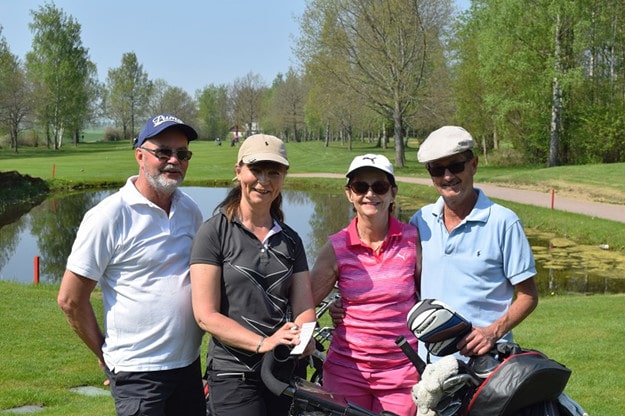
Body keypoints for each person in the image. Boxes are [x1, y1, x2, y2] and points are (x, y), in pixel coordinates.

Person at [57, 113, 206, 416]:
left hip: (188, 364)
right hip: (138, 374)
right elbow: (71, 299)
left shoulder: (190, 210)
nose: (174, 160)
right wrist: (104, 354)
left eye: (182, 153)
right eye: (163, 151)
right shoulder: (109, 216)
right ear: (140, 155)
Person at [189, 134, 316, 416]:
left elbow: (304, 307)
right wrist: (263, 343)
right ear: (238, 171)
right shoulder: (214, 233)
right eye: (255, 169)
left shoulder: (291, 240)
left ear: (283, 177)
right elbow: (205, 315)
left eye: (274, 172)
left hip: (283, 372)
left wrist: (305, 335)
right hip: (234, 374)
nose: (264, 180)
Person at [409, 125, 538, 361]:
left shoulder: (503, 222)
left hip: (487, 362)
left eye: (456, 166)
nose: (447, 176)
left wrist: (492, 332)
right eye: (438, 169)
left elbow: (528, 296)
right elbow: (405, 286)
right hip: (430, 365)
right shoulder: (421, 220)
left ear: (474, 165)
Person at [310, 154, 421, 416]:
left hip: (401, 374)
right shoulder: (336, 247)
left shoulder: (413, 241)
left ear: (393, 193)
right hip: (346, 372)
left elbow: (428, 296)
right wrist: (308, 339)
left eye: (379, 187)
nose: (370, 194)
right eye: (361, 187)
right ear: (349, 194)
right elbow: (305, 301)